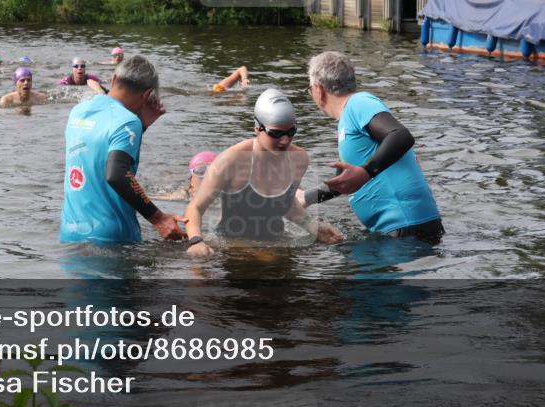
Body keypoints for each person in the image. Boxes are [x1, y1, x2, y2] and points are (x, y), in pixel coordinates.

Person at [303, 51, 444, 242]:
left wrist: (367, 171)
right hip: (401, 229)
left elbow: (400, 135)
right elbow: (346, 181)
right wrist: (305, 198)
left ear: (318, 90)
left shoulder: (358, 104)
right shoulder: (348, 118)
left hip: (406, 227)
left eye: (310, 89)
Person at [183, 89, 343, 255]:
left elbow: (286, 204)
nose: (285, 141)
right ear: (257, 128)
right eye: (276, 133)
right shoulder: (230, 161)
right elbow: (195, 208)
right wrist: (196, 241)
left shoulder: (299, 159)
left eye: (291, 132)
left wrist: (314, 227)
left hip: (276, 243)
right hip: (232, 246)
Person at [60, 55, 185, 245]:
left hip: (70, 232)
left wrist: (142, 127)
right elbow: (116, 174)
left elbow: (98, 154)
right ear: (147, 95)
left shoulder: (78, 111)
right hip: (111, 238)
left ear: (113, 79)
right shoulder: (127, 121)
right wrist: (158, 218)